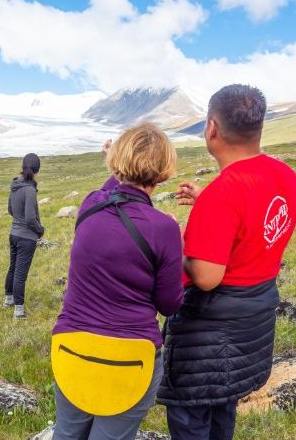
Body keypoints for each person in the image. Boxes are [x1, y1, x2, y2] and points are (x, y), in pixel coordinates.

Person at [157, 85, 296, 440]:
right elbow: (254, 225)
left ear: (211, 129)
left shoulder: (223, 194)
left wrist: (177, 242)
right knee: (224, 407)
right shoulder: (286, 177)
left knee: (192, 417)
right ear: (259, 127)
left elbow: (207, 277)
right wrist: (209, 205)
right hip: (255, 318)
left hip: (210, 330)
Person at [51, 123, 185, 440]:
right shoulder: (163, 228)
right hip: (131, 360)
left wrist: (117, 159)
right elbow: (169, 304)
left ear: (115, 162)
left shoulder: (89, 205)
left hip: (72, 349)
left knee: (68, 433)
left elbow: (111, 193)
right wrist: (177, 252)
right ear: (164, 170)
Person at [5, 153, 45, 319]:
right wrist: (40, 230)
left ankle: (9, 300)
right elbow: (30, 218)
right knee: (21, 273)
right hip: (26, 237)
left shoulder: (15, 185)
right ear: (37, 170)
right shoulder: (29, 189)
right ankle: (19, 311)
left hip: (13, 234)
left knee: (13, 268)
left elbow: (10, 210)